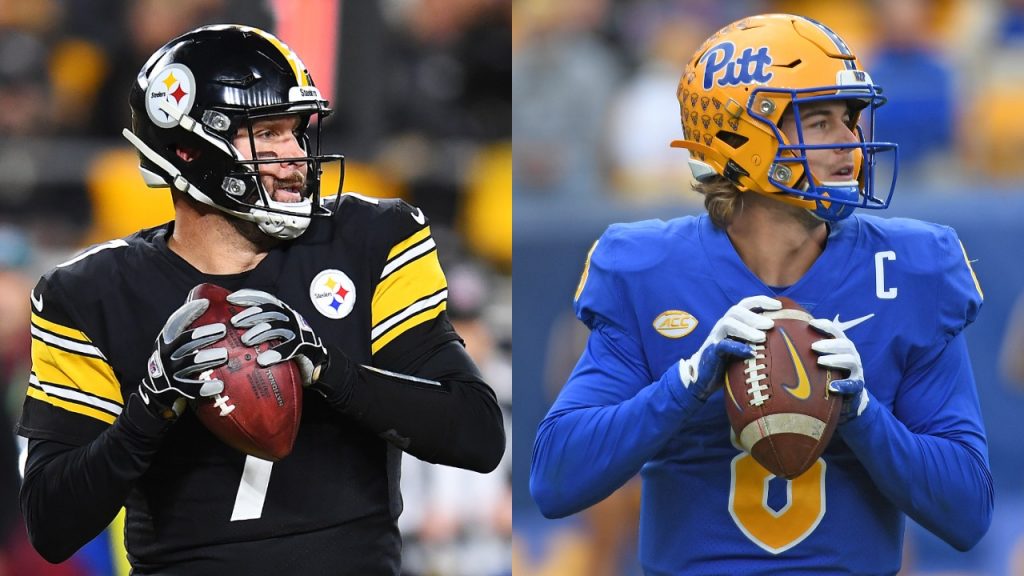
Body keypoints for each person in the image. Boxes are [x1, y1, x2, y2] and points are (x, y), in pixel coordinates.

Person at [17, 24, 505, 575]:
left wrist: (328, 370)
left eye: (296, 132)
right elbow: (51, 526)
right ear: (188, 148)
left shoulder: (369, 239)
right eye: (267, 133)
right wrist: (150, 408)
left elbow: (478, 434)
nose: (294, 154)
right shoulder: (89, 292)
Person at [530, 13, 992, 575]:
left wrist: (864, 415)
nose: (851, 143)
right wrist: (684, 384)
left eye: (851, 118)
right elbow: (554, 480)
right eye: (819, 122)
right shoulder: (650, 269)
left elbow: (968, 513)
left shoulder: (908, 269)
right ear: (741, 136)